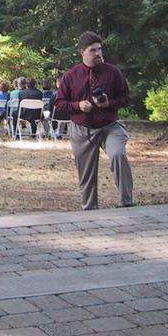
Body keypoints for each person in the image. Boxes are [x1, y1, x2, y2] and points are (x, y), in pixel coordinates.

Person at [55, 31, 133, 211]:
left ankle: (126, 202)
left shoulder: (112, 72)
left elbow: (125, 97)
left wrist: (109, 103)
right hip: (83, 129)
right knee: (86, 172)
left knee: (118, 155)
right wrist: (78, 105)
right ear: (82, 52)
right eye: (93, 50)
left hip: (110, 125)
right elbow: (59, 102)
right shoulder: (71, 76)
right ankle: (89, 209)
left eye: (99, 49)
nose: (98, 53)